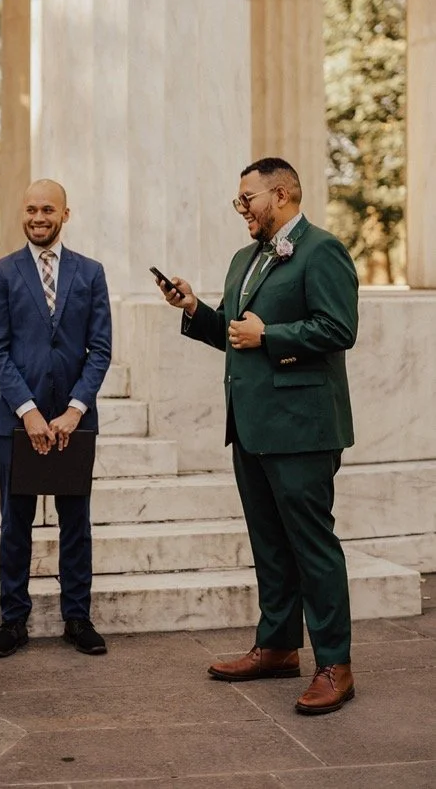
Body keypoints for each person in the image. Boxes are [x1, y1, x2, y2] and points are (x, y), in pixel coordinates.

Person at [158, 157, 359, 715]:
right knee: (269, 545)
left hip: (303, 428)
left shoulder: (322, 250)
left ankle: (335, 665)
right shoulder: (243, 259)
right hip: (249, 426)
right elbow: (234, 334)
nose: (241, 208)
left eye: (248, 198)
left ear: (284, 193)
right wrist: (196, 310)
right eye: (238, 200)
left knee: (312, 548)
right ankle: (276, 648)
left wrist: (272, 334)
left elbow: (340, 328)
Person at [0, 180, 113, 658]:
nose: (39, 217)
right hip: (18, 420)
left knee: (75, 521)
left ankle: (77, 617)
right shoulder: (1, 273)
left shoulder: (91, 273)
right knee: (15, 523)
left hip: (75, 419)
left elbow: (99, 349)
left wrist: (75, 410)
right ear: (24, 212)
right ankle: (13, 620)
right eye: (32, 208)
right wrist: (30, 412)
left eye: (48, 210)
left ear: (65, 214)